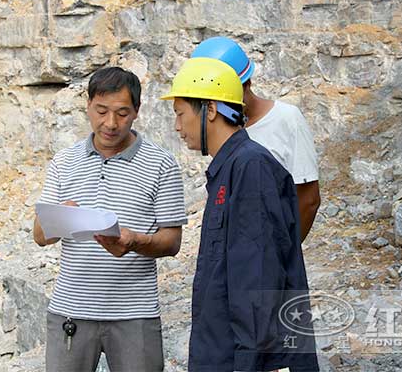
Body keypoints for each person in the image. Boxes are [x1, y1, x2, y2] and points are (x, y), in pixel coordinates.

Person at [161, 57, 319, 372]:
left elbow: (257, 279)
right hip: (226, 353)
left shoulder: (251, 168)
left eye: (180, 114)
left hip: (247, 360)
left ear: (211, 110)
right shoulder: (231, 168)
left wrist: (250, 363)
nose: (177, 126)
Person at [34, 66, 187, 372]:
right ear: (87, 105)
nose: (110, 123)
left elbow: (171, 242)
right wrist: (63, 215)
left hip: (136, 315)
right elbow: (40, 236)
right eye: (101, 111)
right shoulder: (64, 161)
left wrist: (135, 242)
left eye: (122, 112)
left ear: (137, 112)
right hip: (70, 311)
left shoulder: (162, 164)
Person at [191, 37, 321, 242]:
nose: (226, 100)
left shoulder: (287, 119)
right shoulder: (223, 129)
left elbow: (308, 199)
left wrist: (284, 255)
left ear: (247, 83)